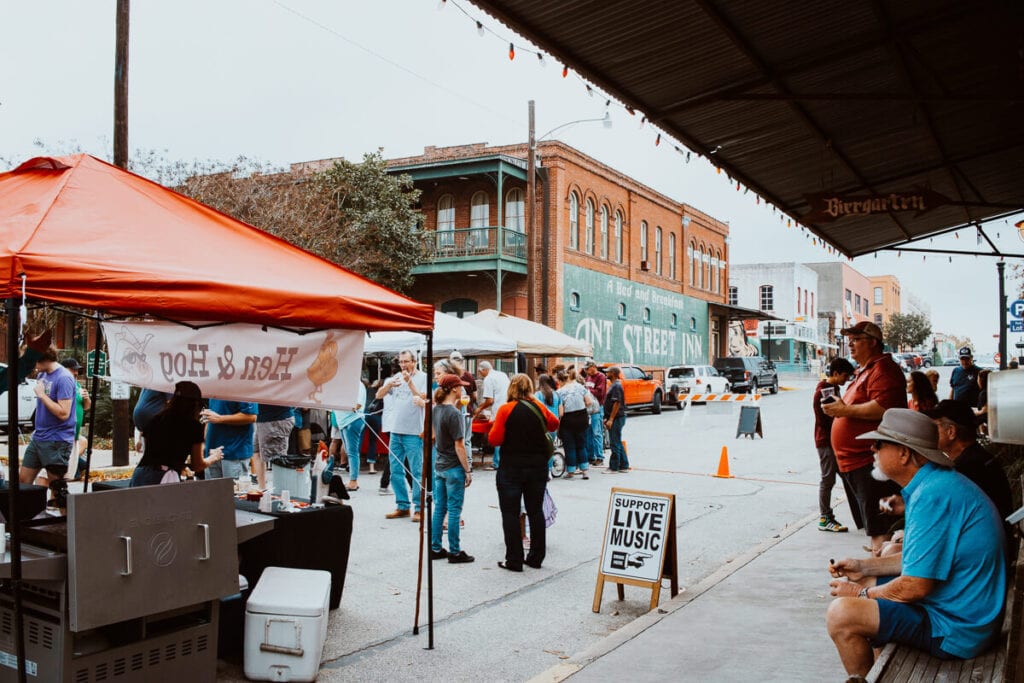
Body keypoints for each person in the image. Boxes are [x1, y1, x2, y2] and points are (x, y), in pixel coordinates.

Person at [826, 409, 1006, 678]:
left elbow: (915, 585)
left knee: (841, 614)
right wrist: (863, 567)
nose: (872, 449)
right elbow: (920, 560)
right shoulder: (934, 484)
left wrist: (859, 595)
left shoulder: (932, 495)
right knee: (865, 584)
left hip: (956, 629)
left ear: (904, 453)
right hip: (965, 614)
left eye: (880, 444)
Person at [821, 321, 906, 554]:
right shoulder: (864, 370)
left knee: (880, 530)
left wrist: (844, 411)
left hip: (868, 461)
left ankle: (880, 581)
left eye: (857, 339)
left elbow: (884, 408)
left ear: (873, 342)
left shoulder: (883, 369)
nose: (851, 344)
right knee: (873, 527)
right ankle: (877, 568)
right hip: (853, 462)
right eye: (850, 340)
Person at [488, 373, 559, 572]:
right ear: (530, 388)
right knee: (535, 510)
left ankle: (514, 559)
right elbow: (554, 423)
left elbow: (494, 440)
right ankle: (536, 557)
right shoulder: (538, 406)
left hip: (511, 467)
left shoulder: (505, 409)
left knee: (510, 513)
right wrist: (535, 402)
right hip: (537, 466)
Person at [926, 399, 1013, 547]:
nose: (929, 433)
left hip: (982, 550)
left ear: (951, 432)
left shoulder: (967, 467)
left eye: (934, 427)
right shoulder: (979, 458)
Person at [130, 381, 223, 486]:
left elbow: (153, 453)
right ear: (195, 404)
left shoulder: (156, 419)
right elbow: (198, 465)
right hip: (164, 479)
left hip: (140, 475)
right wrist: (214, 457)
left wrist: (181, 466)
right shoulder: (193, 426)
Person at [376, 350, 427, 521]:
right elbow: (378, 395)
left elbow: (423, 399)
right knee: (395, 470)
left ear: (414, 362)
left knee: (416, 471)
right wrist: (389, 385)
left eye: (407, 361)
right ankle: (402, 505)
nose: (404, 365)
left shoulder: (423, 378)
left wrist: (410, 383)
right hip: (396, 430)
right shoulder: (396, 376)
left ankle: (420, 508)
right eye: (401, 362)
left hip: (413, 431)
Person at [429, 374, 474, 564]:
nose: (462, 389)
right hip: (453, 466)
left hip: (439, 464)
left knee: (440, 508)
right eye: (460, 386)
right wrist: (467, 469)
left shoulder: (436, 409)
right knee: (454, 510)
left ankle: (435, 547)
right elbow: (459, 445)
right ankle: (455, 551)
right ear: (454, 389)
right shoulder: (454, 413)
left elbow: (433, 437)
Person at [20, 345, 77, 491]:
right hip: (39, 437)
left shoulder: (64, 378)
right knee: (23, 482)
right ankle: (29, 512)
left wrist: (42, 395)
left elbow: (64, 413)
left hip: (56, 439)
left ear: (40, 359)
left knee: (57, 488)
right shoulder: (42, 375)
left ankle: (64, 513)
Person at [813, 357, 854, 532]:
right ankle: (825, 518)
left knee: (846, 476)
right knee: (828, 479)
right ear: (836, 373)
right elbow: (830, 418)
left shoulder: (833, 388)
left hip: (833, 441)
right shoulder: (826, 391)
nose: (847, 380)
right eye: (845, 376)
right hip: (826, 442)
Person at [202, 399, 258, 480]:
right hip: (211, 451)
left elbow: (251, 416)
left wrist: (220, 418)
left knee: (233, 491)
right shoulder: (215, 388)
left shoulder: (244, 388)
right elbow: (211, 414)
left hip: (234, 452)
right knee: (212, 491)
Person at [473, 360, 510, 469]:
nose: (480, 375)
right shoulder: (502, 375)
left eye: (480, 372)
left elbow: (489, 400)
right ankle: (503, 461)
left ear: (484, 370)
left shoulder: (489, 379)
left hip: (498, 410)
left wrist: (479, 409)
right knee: (505, 436)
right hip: (507, 407)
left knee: (498, 435)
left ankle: (497, 462)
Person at [555, 369, 590, 479]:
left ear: (560, 380)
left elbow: (560, 412)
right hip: (582, 417)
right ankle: (584, 471)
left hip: (568, 419)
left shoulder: (559, 392)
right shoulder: (580, 386)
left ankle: (571, 471)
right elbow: (589, 402)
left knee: (569, 446)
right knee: (581, 445)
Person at [61, 358, 92, 481]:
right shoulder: (62, 384)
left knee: (69, 474)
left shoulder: (78, 385)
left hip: (74, 434)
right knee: (61, 473)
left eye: (77, 370)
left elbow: (86, 407)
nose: (76, 373)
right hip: (64, 434)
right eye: (73, 370)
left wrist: (87, 398)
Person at [333, 378, 367, 491]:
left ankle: (353, 481)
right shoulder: (344, 383)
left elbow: (357, 405)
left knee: (352, 452)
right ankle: (352, 480)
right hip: (343, 421)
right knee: (349, 451)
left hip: (352, 421)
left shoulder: (357, 384)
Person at [252, 403, 295, 489]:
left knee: (277, 459)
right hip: (266, 418)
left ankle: (280, 495)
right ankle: (263, 489)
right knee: (256, 453)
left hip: (274, 419)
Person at [602, 366, 629, 473]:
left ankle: (614, 467)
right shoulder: (614, 385)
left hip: (617, 418)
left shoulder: (616, 386)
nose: (606, 374)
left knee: (614, 442)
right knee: (617, 441)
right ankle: (624, 465)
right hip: (614, 417)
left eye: (607, 372)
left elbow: (617, 403)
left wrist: (611, 419)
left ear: (613, 373)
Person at [583, 361, 608, 467]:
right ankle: (590, 456)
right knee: (588, 433)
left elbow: (600, 392)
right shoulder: (588, 377)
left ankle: (599, 457)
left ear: (593, 367)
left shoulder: (601, 377)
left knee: (596, 432)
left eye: (587, 369)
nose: (586, 371)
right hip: (588, 409)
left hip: (597, 408)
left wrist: (587, 391)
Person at [133, 387, 171, 452]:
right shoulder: (166, 382)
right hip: (151, 416)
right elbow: (171, 402)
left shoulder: (149, 383)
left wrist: (138, 438)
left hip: (138, 414)